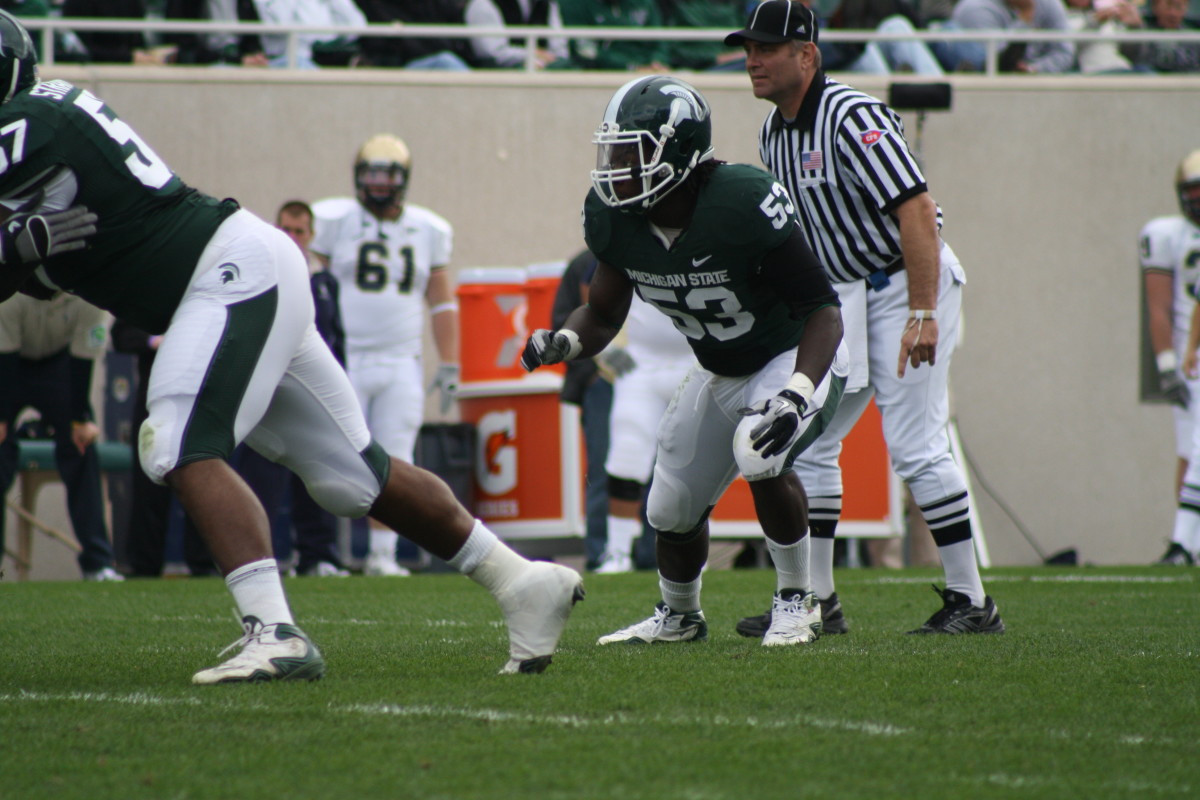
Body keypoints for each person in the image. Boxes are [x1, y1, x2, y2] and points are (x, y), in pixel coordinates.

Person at [0, 9, 581, 680]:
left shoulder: (32, 120)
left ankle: (274, 631)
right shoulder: (43, 133)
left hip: (226, 275)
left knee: (179, 438)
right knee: (352, 476)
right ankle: (522, 583)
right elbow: (34, 278)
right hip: (245, 272)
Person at [522, 74, 849, 647]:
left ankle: (799, 602)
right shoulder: (615, 217)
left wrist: (797, 392)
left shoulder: (743, 200)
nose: (616, 166)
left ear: (680, 151)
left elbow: (823, 307)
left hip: (791, 352)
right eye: (613, 150)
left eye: (632, 152)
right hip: (720, 367)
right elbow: (601, 315)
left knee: (759, 451)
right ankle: (680, 616)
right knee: (670, 506)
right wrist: (563, 342)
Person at [727, 0, 1003, 636]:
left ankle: (971, 600)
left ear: (807, 55)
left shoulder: (852, 115)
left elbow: (916, 209)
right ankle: (819, 602)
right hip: (844, 292)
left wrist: (923, 310)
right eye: (748, 48)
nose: (753, 60)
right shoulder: (772, 131)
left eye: (767, 48)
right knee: (813, 439)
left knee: (915, 442)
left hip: (905, 279)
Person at [310, 134, 461, 577]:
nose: (378, 184)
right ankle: (322, 553)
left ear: (404, 179)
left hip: (400, 361)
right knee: (330, 453)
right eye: (371, 174)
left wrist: (450, 362)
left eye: (386, 175)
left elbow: (443, 301)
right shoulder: (334, 220)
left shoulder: (428, 229)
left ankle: (381, 554)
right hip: (345, 358)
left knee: (395, 458)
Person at [0, 292, 123, 581]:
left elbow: (83, 360)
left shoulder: (89, 297)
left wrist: (80, 420)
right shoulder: (9, 294)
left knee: (81, 450)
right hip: (8, 366)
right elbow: (3, 356)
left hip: (60, 367)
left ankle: (97, 564)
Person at [594, 292, 696, 573]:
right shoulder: (631, 247)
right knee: (627, 451)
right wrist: (604, 347)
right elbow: (598, 301)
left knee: (693, 464)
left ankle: (692, 552)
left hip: (696, 363)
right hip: (641, 366)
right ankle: (617, 552)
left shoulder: (710, 247)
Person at [111, 319, 218, 577]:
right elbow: (121, 334)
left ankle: (203, 564)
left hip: (200, 399)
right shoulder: (150, 294)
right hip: (155, 400)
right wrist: (154, 340)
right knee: (149, 484)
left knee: (202, 478)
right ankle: (144, 566)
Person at [1145, 150, 1200, 566]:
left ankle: (1183, 545)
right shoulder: (1167, 234)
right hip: (1194, 361)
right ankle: (1186, 545)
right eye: (1191, 190)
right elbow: (1170, 305)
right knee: (1193, 448)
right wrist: (1177, 360)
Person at [552, 248, 614, 571]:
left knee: (660, 468)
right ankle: (602, 551)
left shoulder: (655, 254)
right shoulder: (582, 263)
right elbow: (564, 322)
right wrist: (589, 375)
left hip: (649, 378)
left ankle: (651, 554)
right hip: (603, 382)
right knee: (602, 469)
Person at [933, 0, 1076, 73]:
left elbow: (1065, 52)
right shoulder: (974, 7)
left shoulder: (1049, 3)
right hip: (994, 87)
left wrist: (1035, 69)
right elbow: (999, 62)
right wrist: (1026, 19)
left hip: (1046, 78)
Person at [559, 0, 670, 70]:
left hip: (647, 70)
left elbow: (659, 41)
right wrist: (631, 67)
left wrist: (657, 61)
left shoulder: (645, 3)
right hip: (601, 73)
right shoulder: (575, 4)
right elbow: (585, 50)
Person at [464, 0, 570, 69]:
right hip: (499, 74)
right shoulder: (484, 4)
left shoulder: (546, 4)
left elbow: (560, 49)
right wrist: (532, 54)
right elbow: (493, 53)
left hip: (545, 68)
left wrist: (545, 60)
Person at [1121, 0, 1200, 73]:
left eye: (1178, 6)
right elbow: (1131, 54)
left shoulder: (1194, 35)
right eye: (1168, 5)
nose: (1173, 13)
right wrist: (1134, 29)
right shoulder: (1142, 30)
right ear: (1155, 6)